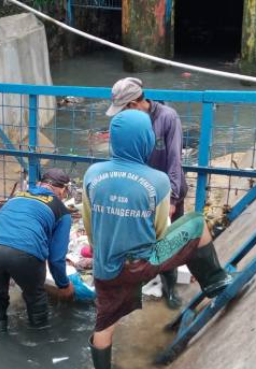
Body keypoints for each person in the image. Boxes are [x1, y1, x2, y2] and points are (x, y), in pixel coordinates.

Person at [82, 110, 233, 369]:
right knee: (196, 221)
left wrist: (100, 251)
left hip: (106, 267)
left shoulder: (92, 174)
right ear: (145, 140)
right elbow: (161, 232)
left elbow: (89, 223)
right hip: (142, 263)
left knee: (104, 324)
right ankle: (215, 282)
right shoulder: (158, 180)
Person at [106, 77, 188, 309]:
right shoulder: (126, 123)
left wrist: (171, 198)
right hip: (140, 190)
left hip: (167, 191)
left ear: (132, 104)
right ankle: (138, 282)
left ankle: (169, 288)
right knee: (138, 238)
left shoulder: (167, 118)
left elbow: (174, 160)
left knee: (169, 240)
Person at [0, 168, 75, 331]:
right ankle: (39, 343)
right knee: (35, 299)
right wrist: (64, 285)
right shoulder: (61, 211)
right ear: (63, 189)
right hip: (25, 253)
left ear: (39, 184)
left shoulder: (17, 197)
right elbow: (56, 258)